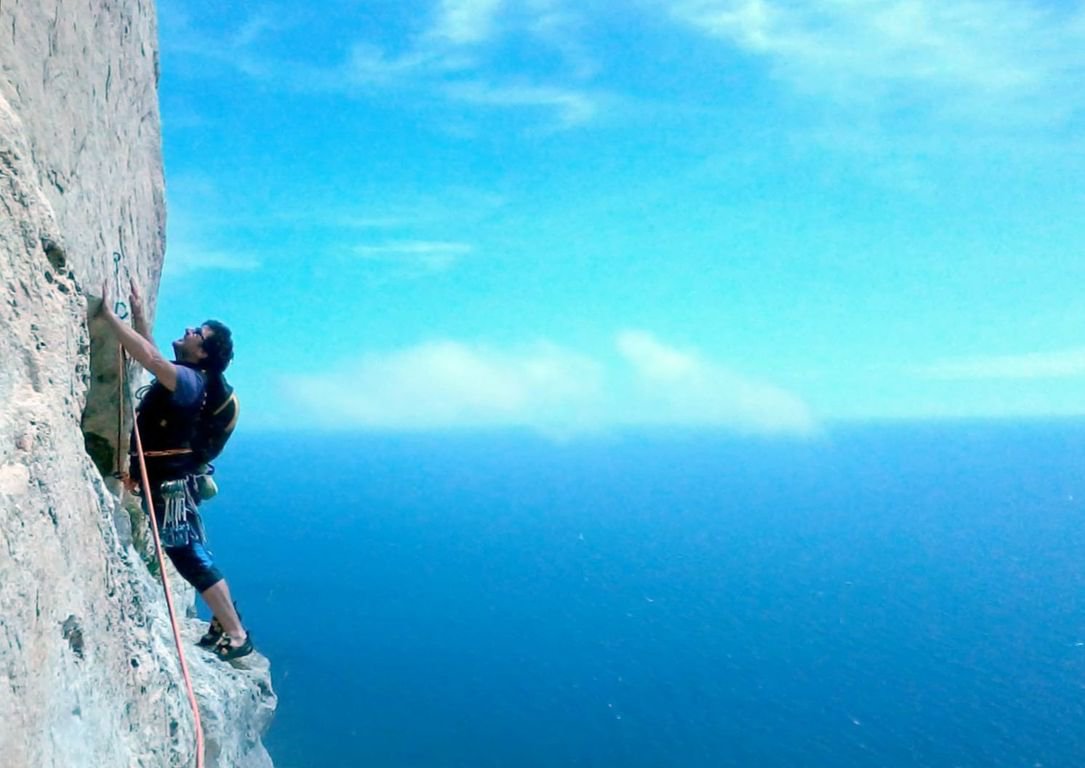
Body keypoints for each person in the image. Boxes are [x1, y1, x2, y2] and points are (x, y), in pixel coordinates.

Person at [98, 278, 253, 661]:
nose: (187, 330)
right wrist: (138, 317)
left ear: (202, 353)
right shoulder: (193, 379)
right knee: (189, 551)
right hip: (170, 481)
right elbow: (156, 358)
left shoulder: (190, 381)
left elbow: (151, 361)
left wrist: (106, 317)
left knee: (188, 554)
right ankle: (225, 622)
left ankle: (235, 633)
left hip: (170, 487)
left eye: (196, 332)